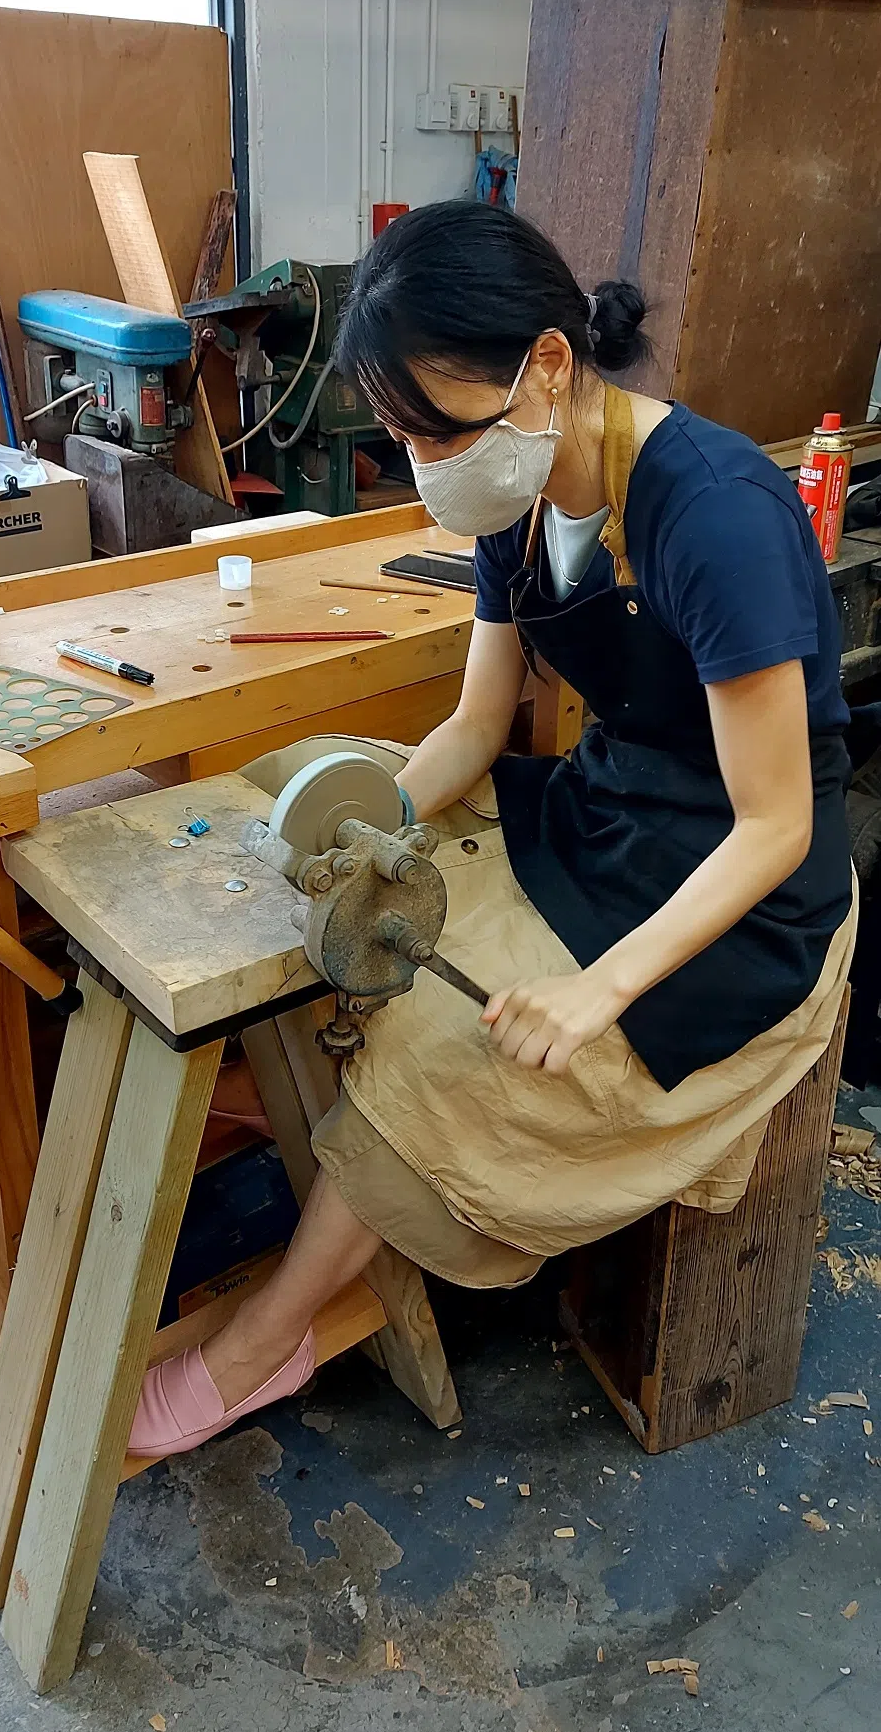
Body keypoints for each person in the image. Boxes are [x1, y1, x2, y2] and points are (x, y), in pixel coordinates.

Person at [129, 201, 856, 1459]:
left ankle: (267, 1341)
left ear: (550, 368)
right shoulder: (514, 493)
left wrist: (598, 994)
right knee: (317, 840)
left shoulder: (716, 512)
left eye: (435, 427)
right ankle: (311, 1175)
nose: (423, 461)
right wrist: (378, 825)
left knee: (431, 1064)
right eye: (401, 433)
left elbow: (778, 824)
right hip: (607, 815)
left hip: (737, 892)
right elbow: (473, 723)